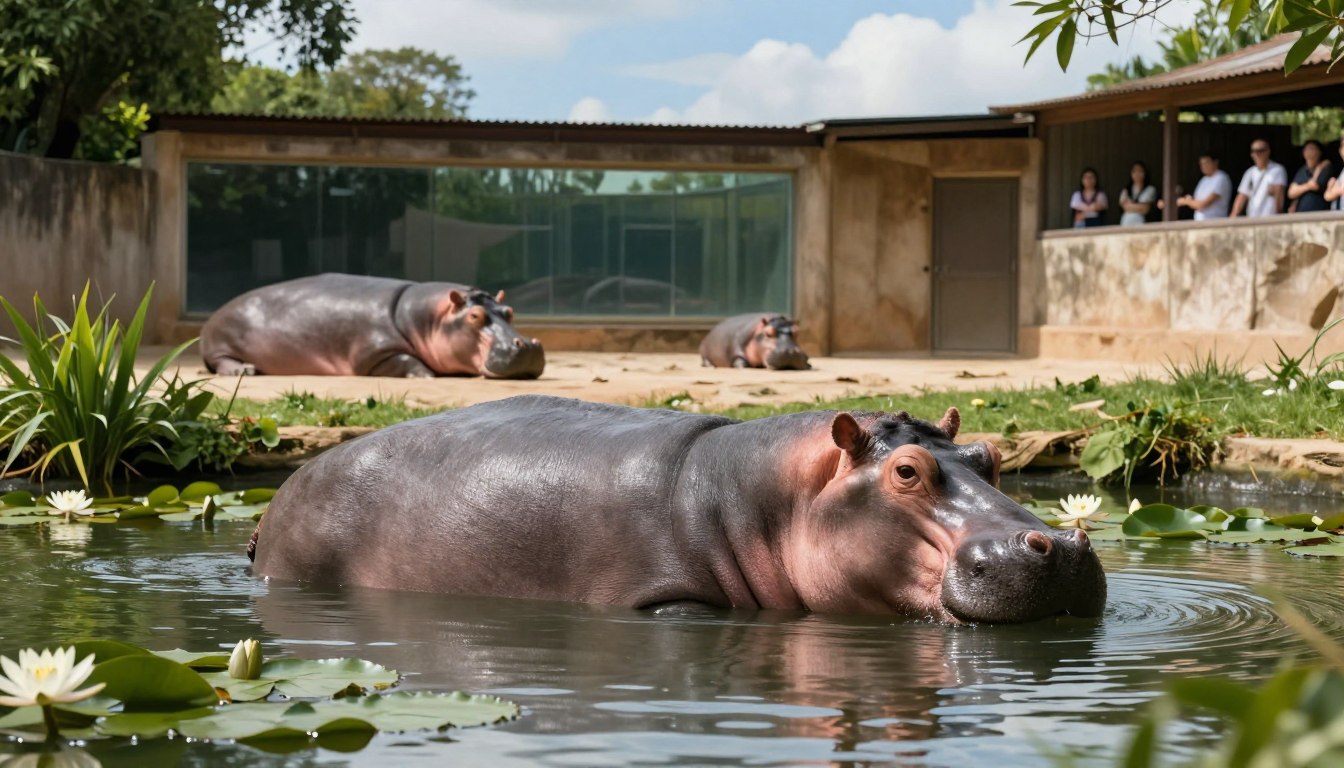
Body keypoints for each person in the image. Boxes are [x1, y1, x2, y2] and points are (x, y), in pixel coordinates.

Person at [1230, 139, 1287, 218]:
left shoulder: (1277, 170)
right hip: (1253, 218)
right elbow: (1242, 196)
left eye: (1261, 150)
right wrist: (1233, 217)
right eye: (1254, 151)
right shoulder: (1249, 172)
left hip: (1271, 218)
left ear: (1268, 151)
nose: (1257, 154)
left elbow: (1279, 197)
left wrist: (1278, 216)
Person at [1176, 152, 1233, 220]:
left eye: (1206, 163)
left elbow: (1203, 204)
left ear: (1215, 162)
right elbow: (1195, 202)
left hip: (1215, 222)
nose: (1203, 166)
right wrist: (1189, 200)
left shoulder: (1221, 178)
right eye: (1201, 164)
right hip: (1199, 221)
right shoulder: (1204, 180)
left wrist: (1186, 201)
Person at [1287, 139, 1334, 213]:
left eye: (1312, 148)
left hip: (1319, 212)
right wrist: (1308, 185)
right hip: (1300, 212)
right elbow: (1291, 193)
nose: (1309, 151)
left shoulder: (1326, 167)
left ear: (1320, 152)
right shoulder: (1302, 170)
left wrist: (1300, 187)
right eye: (1306, 149)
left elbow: (1315, 186)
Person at [1117, 161, 1157, 226]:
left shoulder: (1150, 189)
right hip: (1126, 222)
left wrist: (1130, 205)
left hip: (1142, 222)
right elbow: (1124, 207)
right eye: (1134, 171)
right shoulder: (1126, 190)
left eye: (1140, 171)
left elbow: (1145, 209)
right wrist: (1139, 206)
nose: (1137, 174)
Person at [1321, 131, 1344, 211]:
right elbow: (1327, 196)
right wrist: (1331, 188)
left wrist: (1337, 190)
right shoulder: (1342, 172)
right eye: (1343, 146)